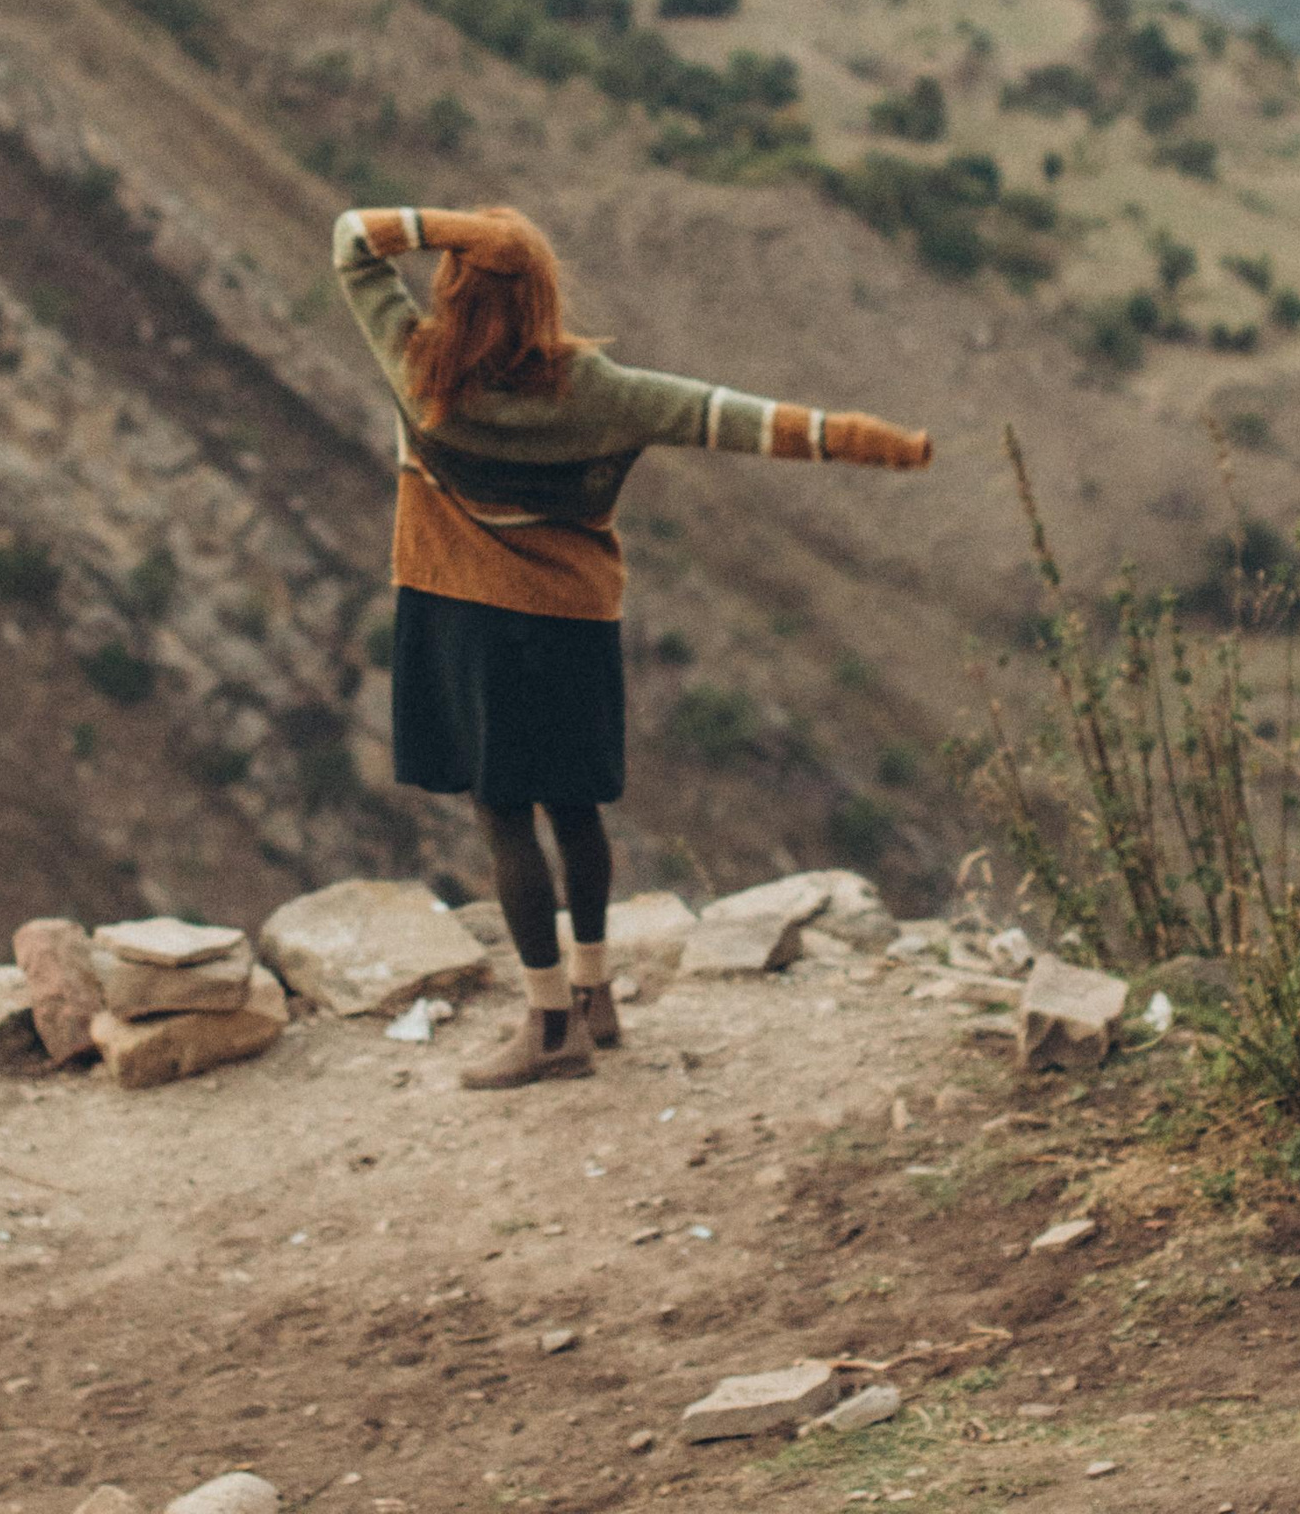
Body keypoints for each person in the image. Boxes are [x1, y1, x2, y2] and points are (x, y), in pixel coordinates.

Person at [330, 199, 934, 1090]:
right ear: (541, 297)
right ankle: (594, 997)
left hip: (467, 620)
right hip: (571, 627)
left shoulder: (420, 370)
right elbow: (738, 418)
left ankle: (546, 1028)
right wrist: (863, 443)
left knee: (503, 816)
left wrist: (453, 227)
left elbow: (352, 242)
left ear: (454, 294)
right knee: (574, 809)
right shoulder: (602, 395)